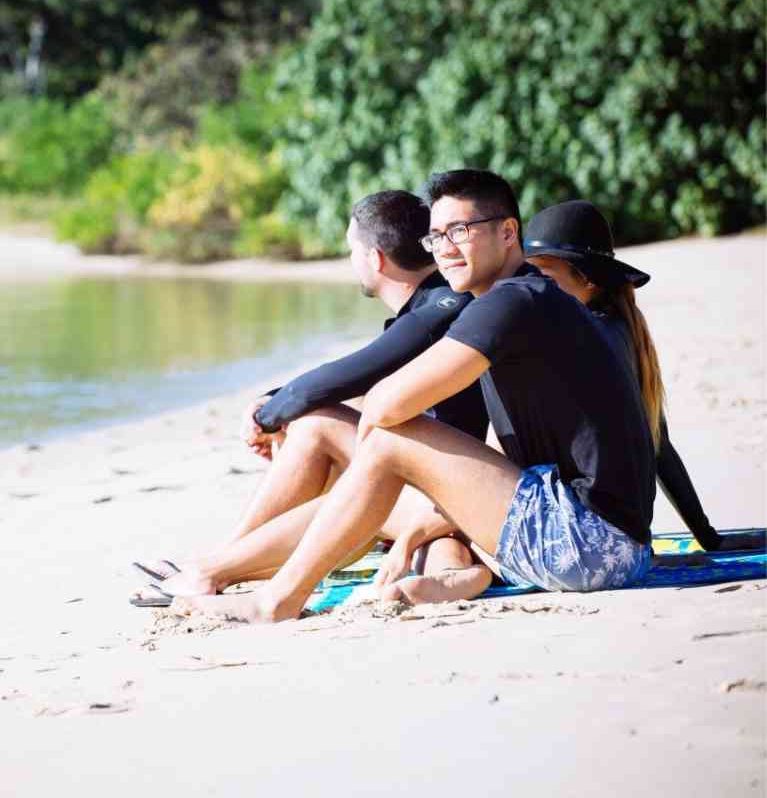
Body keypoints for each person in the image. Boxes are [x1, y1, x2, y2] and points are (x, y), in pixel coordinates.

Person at [172, 169, 658, 623]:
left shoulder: (513, 302)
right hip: (607, 544)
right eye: (436, 236)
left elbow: (386, 405)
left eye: (460, 231)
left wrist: (369, 469)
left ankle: (276, 599)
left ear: (508, 232)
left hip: (591, 547)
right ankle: (237, 574)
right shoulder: (520, 300)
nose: (444, 248)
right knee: (386, 449)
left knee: (388, 441)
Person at [130, 189, 492, 608]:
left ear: (374, 258)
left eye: (351, 250)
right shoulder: (432, 305)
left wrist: (270, 411)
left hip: (454, 490)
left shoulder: (442, 305)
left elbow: (357, 370)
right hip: (437, 478)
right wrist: (282, 407)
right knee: (313, 421)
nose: (351, 261)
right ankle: (219, 563)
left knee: (316, 420)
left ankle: (214, 567)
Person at [523, 200, 766, 553]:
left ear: (588, 280)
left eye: (543, 277)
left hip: (589, 539)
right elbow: (659, 446)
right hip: (625, 534)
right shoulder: (620, 329)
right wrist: (706, 534)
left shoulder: (586, 340)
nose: (530, 289)